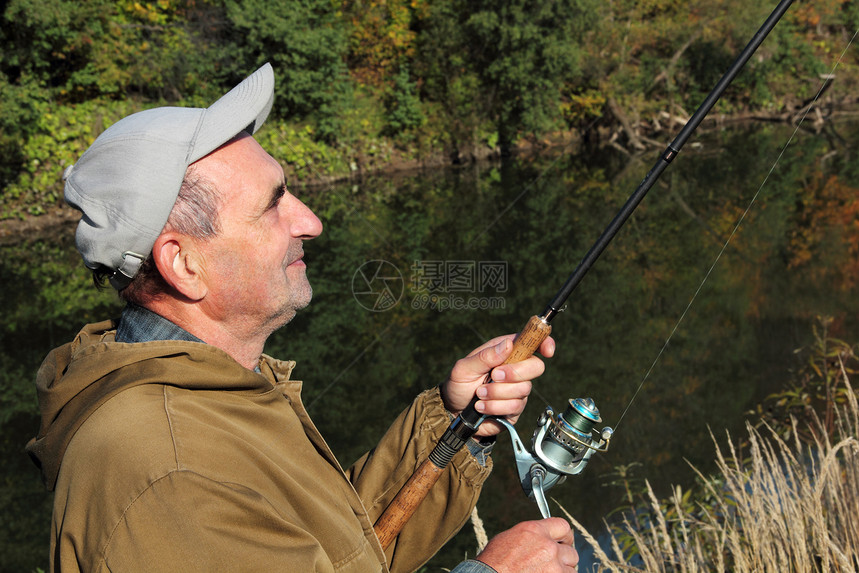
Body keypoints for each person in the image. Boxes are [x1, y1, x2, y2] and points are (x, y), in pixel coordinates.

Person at [26, 63, 579, 573]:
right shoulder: (166, 468)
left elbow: (344, 552)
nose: (311, 222)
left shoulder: (215, 396)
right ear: (184, 265)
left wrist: (458, 422)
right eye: (273, 204)